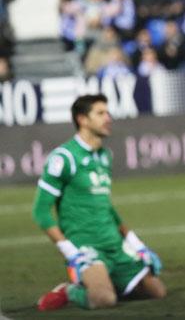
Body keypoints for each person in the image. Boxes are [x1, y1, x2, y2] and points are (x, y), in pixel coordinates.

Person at [32, 94, 166, 311]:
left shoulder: (104, 156)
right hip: (85, 246)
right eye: (100, 113)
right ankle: (68, 290)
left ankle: (105, 279)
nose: (108, 118)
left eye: (108, 112)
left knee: (157, 291)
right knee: (104, 300)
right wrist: (70, 252)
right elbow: (40, 211)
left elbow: (107, 207)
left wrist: (136, 243)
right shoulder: (64, 158)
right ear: (83, 119)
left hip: (113, 243)